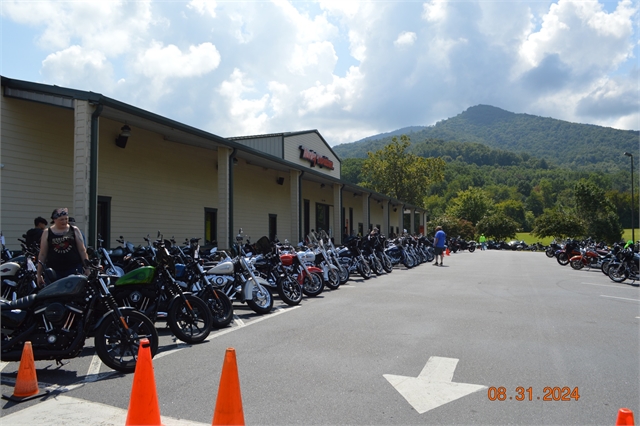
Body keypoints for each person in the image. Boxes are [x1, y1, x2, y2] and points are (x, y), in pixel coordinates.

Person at [36, 208, 89, 287]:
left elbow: (82, 250)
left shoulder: (74, 230)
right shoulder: (47, 232)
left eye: (66, 219)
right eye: (61, 219)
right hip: (54, 270)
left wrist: (87, 268)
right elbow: (43, 254)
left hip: (73, 268)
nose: (64, 221)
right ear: (54, 219)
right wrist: (39, 274)